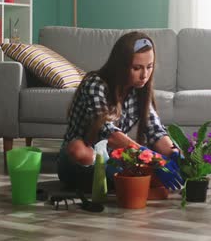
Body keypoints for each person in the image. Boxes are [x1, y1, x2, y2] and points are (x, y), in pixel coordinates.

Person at [57, 31, 180, 192]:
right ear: (121, 65)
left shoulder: (139, 90)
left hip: (114, 159)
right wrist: (154, 159)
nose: (144, 75)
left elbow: (155, 131)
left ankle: (118, 179)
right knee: (79, 149)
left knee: (162, 161)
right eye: (137, 68)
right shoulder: (95, 84)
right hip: (80, 160)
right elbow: (109, 135)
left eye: (149, 67)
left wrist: (174, 154)